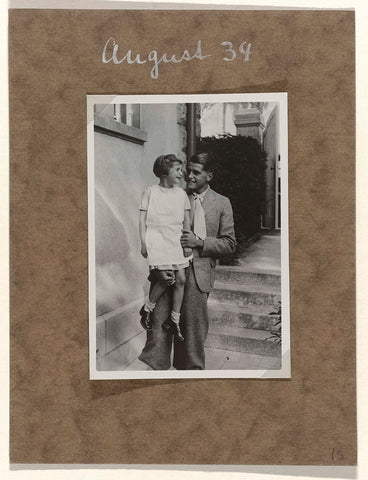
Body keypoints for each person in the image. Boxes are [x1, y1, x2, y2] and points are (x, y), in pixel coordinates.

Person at [139, 152, 236, 370]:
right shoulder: (172, 194)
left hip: (198, 277)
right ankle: (156, 375)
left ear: (209, 176)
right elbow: (154, 230)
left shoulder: (222, 203)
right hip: (168, 271)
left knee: (192, 335)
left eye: (196, 172)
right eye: (188, 171)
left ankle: (189, 379)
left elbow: (230, 244)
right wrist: (156, 268)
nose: (189, 176)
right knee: (158, 330)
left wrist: (200, 242)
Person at [139, 154, 192, 342]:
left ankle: (174, 320)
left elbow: (187, 220)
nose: (182, 173)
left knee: (181, 279)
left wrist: (186, 242)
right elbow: (142, 219)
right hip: (158, 241)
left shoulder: (181, 194)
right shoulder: (150, 192)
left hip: (176, 240)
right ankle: (147, 308)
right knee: (166, 278)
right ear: (164, 173)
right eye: (177, 170)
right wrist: (144, 242)